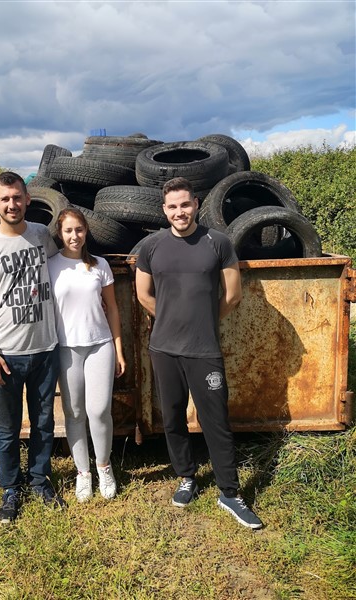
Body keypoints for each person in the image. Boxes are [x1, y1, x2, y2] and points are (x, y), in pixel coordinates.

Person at [134, 176, 263, 529]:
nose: (180, 212)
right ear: (164, 210)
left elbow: (233, 295)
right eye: (173, 207)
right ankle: (186, 477)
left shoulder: (217, 242)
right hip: (163, 349)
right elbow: (143, 294)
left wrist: (203, 320)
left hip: (204, 349)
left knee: (216, 421)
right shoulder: (151, 247)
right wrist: (171, 319)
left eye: (185, 205)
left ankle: (229, 493)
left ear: (196, 204)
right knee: (173, 417)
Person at [0, 171, 64, 524]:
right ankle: (10, 488)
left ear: (28, 199)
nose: (12, 204)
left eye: (17, 197)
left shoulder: (41, 235)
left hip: (45, 349)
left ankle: (40, 480)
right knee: (7, 428)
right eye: (5, 199)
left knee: (43, 422)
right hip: (7, 354)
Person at [48, 207, 126, 502]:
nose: (74, 236)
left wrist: (118, 349)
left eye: (79, 230)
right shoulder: (51, 266)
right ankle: (83, 472)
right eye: (68, 230)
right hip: (66, 348)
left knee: (99, 410)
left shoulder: (100, 265)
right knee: (74, 413)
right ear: (60, 233)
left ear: (86, 231)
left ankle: (104, 467)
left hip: (100, 345)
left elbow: (113, 309)